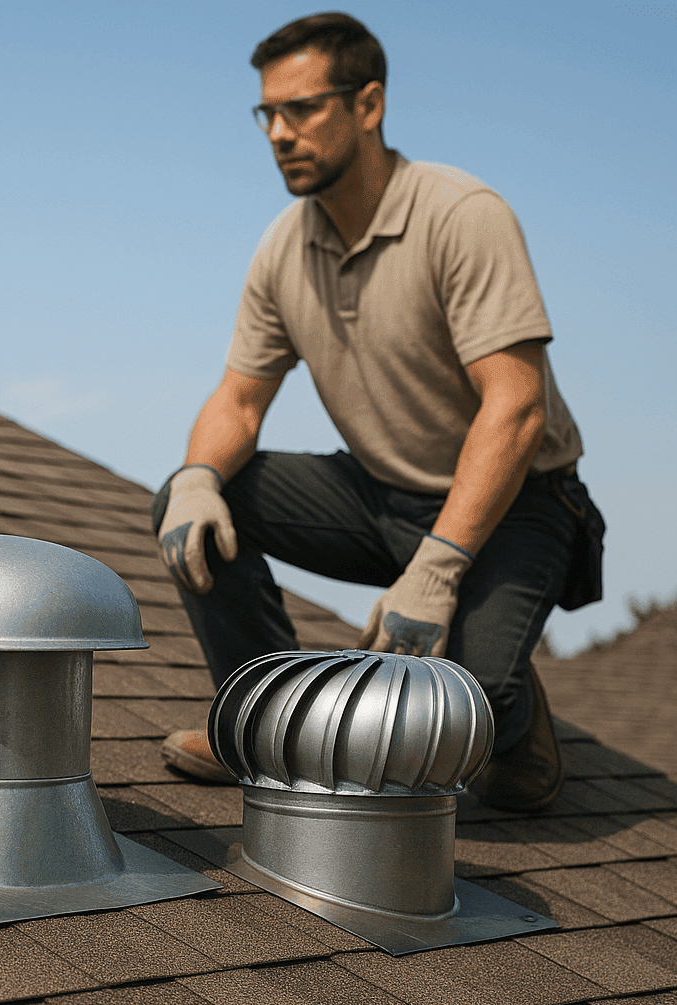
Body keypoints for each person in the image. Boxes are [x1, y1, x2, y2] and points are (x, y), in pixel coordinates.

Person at [153, 12, 603, 812]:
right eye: (269, 114)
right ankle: (266, 728)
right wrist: (194, 479)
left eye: (303, 109)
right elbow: (240, 397)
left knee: (463, 710)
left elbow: (518, 407)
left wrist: (436, 571)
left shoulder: (461, 215)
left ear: (369, 105)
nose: (280, 133)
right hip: (379, 493)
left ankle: (517, 720)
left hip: (515, 502)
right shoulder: (283, 247)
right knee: (203, 503)